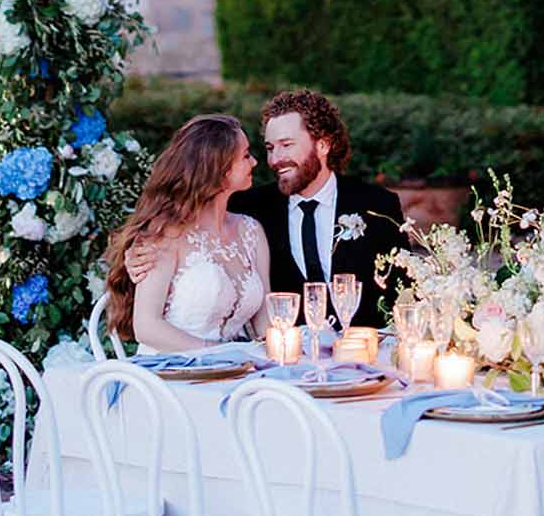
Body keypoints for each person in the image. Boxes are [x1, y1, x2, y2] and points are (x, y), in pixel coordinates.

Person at [124, 89, 403, 329]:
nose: (275, 159)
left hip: (363, 363)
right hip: (283, 371)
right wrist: (134, 257)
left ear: (323, 144)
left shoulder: (377, 206)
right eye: (270, 147)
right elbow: (183, 233)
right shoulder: (246, 208)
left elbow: (403, 293)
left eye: (286, 145)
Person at [104, 114, 270, 350]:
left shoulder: (251, 231)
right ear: (218, 168)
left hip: (234, 373)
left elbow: (265, 322)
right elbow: (146, 327)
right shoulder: (165, 233)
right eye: (245, 156)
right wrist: (217, 355)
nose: (254, 162)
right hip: (171, 373)